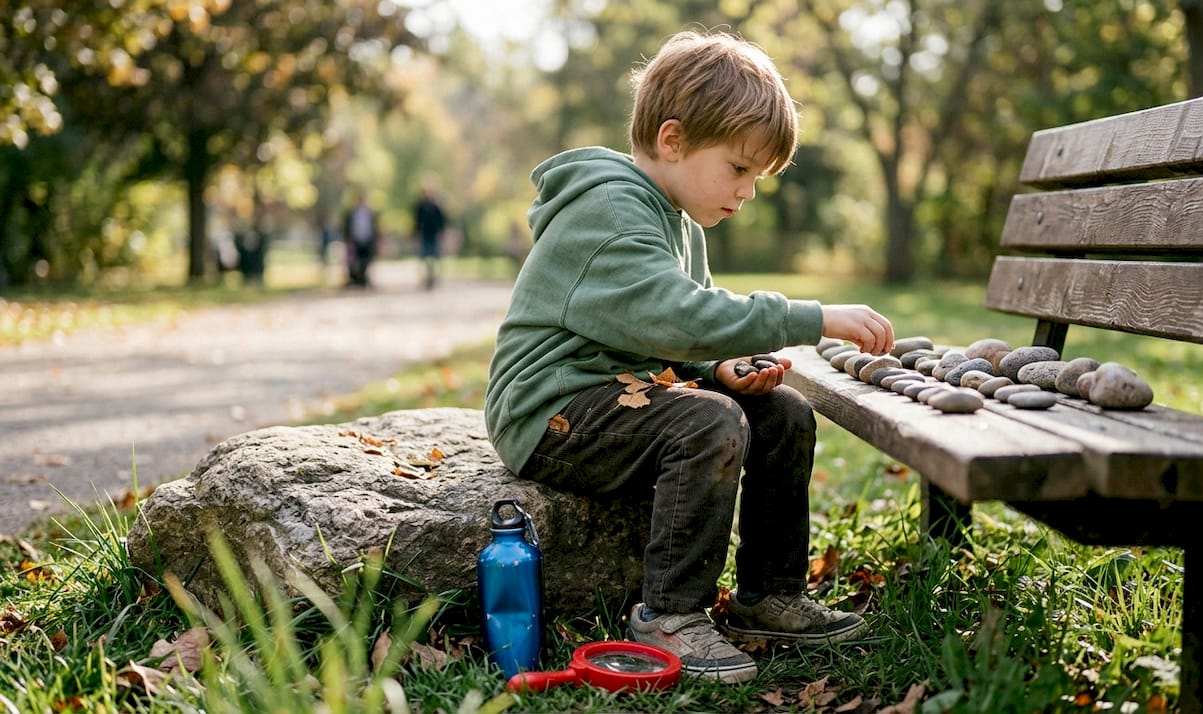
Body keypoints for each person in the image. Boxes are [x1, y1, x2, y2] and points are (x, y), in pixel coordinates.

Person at [482, 29, 895, 684]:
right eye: (738, 169)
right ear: (672, 140)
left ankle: (770, 594)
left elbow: (676, 330)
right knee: (708, 422)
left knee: (783, 414)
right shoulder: (611, 208)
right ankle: (669, 614)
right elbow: (676, 314)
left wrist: (717, 369)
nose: (747, 191)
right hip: (551, 411)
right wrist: (810, 319)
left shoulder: (675, 216)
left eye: (756, 176)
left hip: (622, 394)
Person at [412, 179, 448, 289]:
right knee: (423, 258)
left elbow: (442, 220)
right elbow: (416, 221)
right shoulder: (420, 206)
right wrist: (416, 233)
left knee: (435, 258)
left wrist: (441, 232)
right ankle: (425, 278)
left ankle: (433, 278)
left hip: (434, 235)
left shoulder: (437, 206)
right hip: (424, 235)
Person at [342, 189, 379, 288]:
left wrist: (376, 240)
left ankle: (362, 278)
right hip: (356, 239)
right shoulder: (352, 212)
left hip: (367, 239)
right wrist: (348, 239)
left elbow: (375, 227)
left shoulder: (370, 212)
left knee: (366, 260)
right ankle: (356, 279)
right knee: (354, 261)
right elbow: (347, 226)